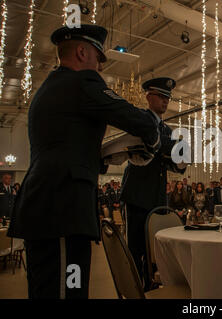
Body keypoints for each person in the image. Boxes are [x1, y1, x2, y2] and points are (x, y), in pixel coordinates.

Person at [7, 24, 163, 299]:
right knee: (68, 291)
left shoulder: (51, 88)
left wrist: (104, 155)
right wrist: (151, 133)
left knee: (50, 289)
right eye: (99, 58)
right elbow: (133, 117)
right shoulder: (82, 82)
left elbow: (68, 147)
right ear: (82, 52)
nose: (100, 67)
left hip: (48, 205)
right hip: (63, 208)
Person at [119, 77, 186, 291]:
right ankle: (136, 291)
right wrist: (172, 148)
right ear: (148, 97)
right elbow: (154, 146)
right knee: (136, 248)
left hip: (157, 196)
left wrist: (181, 161)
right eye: (161, 96)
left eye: (168, 98)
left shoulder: (166, 129)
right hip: (138, 194)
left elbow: (173, 161)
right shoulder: (140, 119)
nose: (165, 101)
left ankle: (149, 289)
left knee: (153, 250)